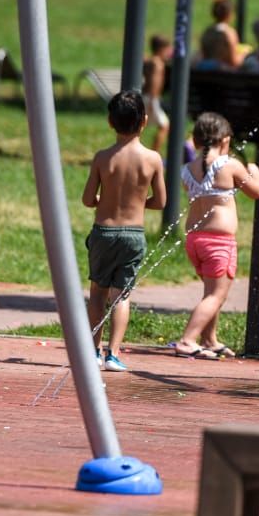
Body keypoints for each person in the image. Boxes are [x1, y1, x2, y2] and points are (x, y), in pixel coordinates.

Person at [83, 90, 168, 373]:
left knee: (97, 292)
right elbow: (161, 201)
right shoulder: (153, 159)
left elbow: (87, 199)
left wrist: (102, 202)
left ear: (110, 121)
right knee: (121, 296)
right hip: (133, 234)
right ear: (145, 121)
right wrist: (138, 202)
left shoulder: (102, 157)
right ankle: (113, 354)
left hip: (104, 232)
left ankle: (93, 350)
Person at [173, 112, 259, 359]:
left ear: (195, 140)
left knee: (210, 291)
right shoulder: (229, 164)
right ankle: (187, 340)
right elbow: (256, 191)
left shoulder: (187, 169)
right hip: (219, 243)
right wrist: (254, 169)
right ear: (225, 140)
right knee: (217, 294)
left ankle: (209, 339)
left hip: (195, 240)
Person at [142, 34, 173, 155]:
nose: (168, 53)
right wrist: (152, 100)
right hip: (151, 98)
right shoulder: (158, 64)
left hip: (147, 97)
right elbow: (154, 83)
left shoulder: (150, 60)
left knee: (141, 126)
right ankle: (155, 152)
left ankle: (150, 151)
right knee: (165, 126)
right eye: (167, 50)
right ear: (161, 49)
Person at [197, 0, 242, 70]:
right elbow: (233, 61)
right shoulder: (229, 33)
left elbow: (204, 55)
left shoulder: (207, 32)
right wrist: (244, 57)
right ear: (230, 14)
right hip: (223, 75)